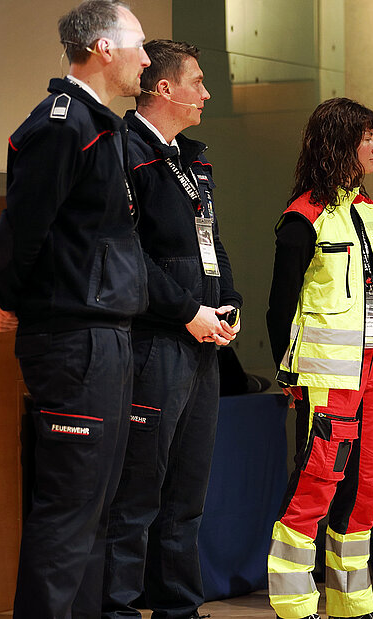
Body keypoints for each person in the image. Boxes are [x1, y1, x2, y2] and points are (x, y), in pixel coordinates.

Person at [0, 2, 150, 616]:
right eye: (138, 45)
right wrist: (9, 298)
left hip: (107, 337)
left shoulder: (104, 126)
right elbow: (21, 232)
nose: (147, 58)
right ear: (103, 48)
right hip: (74, 339)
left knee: (97, 507)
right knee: (70, 506)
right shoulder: (62, 125)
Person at [99, 39, 241, 619]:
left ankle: (180, 609)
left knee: (187, 494)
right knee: (138, 494)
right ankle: (119, 610)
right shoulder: (124, 154)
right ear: (164, 89)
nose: (206, 93)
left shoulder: (193, 161)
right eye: (198, 82)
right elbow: (131, 257)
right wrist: (187, 313)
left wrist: (226, 301)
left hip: (203, 341)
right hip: (156, 344)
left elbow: (212, 243)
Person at [265, 98, 373, 619]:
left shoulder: (370, 210)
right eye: (367, 137)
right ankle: (296, 604)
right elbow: (280, 307)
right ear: (341, 144)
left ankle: (353, 603)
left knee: (366, 484)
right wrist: (289, 374)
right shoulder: (301, 216)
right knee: (316, 482)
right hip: (326, 376)